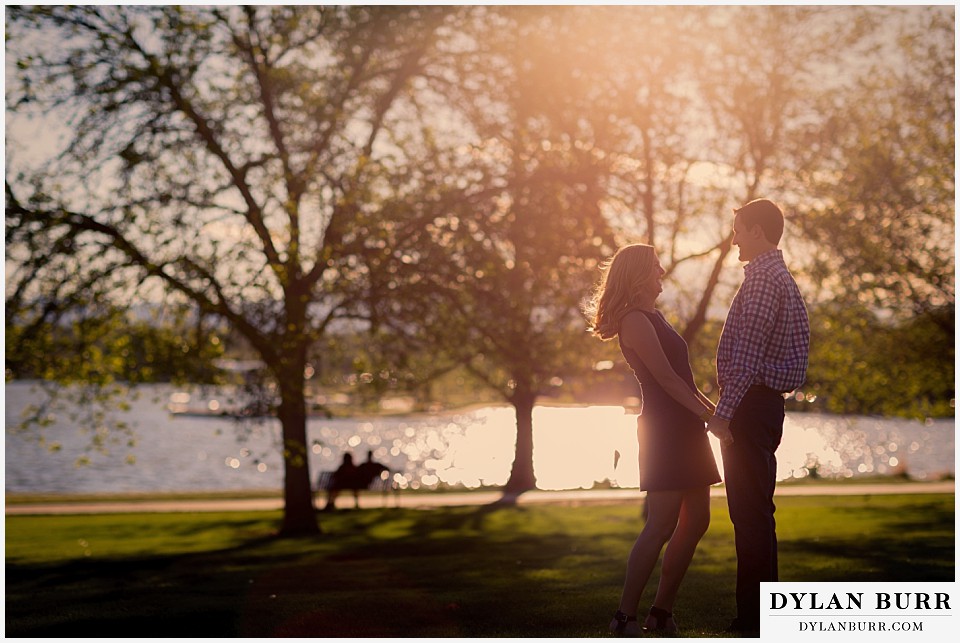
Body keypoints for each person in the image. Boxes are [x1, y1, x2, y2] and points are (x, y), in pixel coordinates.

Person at [586, 243, 732, 636]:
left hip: (685, 428)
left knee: (697, 519)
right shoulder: (635, 321)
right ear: (637, 275)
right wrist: (709, 417)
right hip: (665, 430)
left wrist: (717, 414)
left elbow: (683, 380)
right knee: (661, 524)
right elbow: (666, 380)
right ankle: (624, 616)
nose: (663, 271)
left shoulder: (655, 316)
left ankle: (661, 612)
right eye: (655, 267)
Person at [705, 198, 810, 636]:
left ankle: (751, 623)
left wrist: (723, 417)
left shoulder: (765, 281)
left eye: (737, 230)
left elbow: (747, 358)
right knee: (758, 517)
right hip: (762, 406)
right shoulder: (777, 278)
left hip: (749, 407)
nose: (732, 239)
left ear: (756, 231)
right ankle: (763, 619)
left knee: (748, 518)